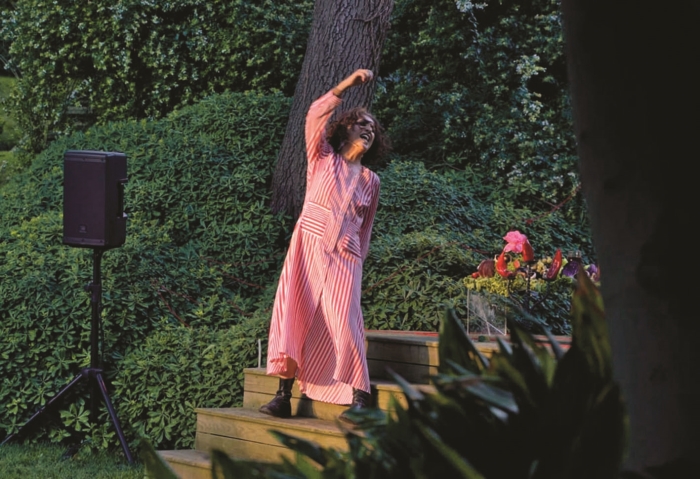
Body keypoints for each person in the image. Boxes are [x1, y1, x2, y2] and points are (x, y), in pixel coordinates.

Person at [260, 69, 389, 424]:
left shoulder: (371, 180)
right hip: (307, 248)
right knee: (294, 313)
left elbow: (365, 230)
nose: (368, 129)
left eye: (373, 128)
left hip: (346, 257)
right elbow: (315, 113)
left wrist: (357, 264)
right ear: (345, 129)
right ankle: (282, 396)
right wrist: (347, 84)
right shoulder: (322, 159)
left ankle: (359, 397)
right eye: (361, 123)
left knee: (346, 320)